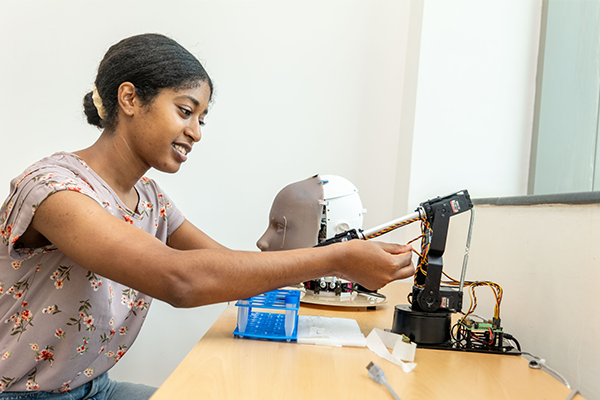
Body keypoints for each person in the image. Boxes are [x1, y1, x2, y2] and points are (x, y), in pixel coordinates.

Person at [0, 33, 414, 399]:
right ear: (129, 99)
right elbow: (182, 280)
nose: (196, 132)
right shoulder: (54, 190)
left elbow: (229, 271)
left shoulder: (149, 198)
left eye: (201, 118)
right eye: (185, 111)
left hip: (93, 389)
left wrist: (340, 268)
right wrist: (338, 258)